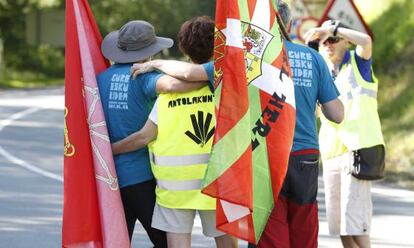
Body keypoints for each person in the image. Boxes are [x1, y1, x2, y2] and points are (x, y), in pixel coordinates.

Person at [112, 17, 236, 248]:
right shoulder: (226, 87)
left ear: (183, 47)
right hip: (218, 181)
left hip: (174, 187)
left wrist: (107, 150)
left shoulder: (167, 95)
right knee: (226, 241)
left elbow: (144, 136)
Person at [97, 20, 204, 247]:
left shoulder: (100, 79)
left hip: (108, 177)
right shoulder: (143, 77)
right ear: (148, 52)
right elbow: (176, 85)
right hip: (141, 178)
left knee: (116, 242)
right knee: (166, 242)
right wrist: (209, 75)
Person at [248, 1, 344, 248]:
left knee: (271, 230)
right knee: (304, 226)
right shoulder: (313, 58)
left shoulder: (252, 57)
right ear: (289, 24)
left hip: (267, 154)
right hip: (305, 156)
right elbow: (336, 114)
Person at [304, 16, 385, 248]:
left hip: (356, 151)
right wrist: (313, 40)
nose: (328, 44)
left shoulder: (358, 63)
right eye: (325, 42)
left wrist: (333, 28)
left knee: (355, 222)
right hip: (330, 152)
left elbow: (366, 41)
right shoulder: (322, 71)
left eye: (334, 40)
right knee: (340, 225)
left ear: (345, 42)